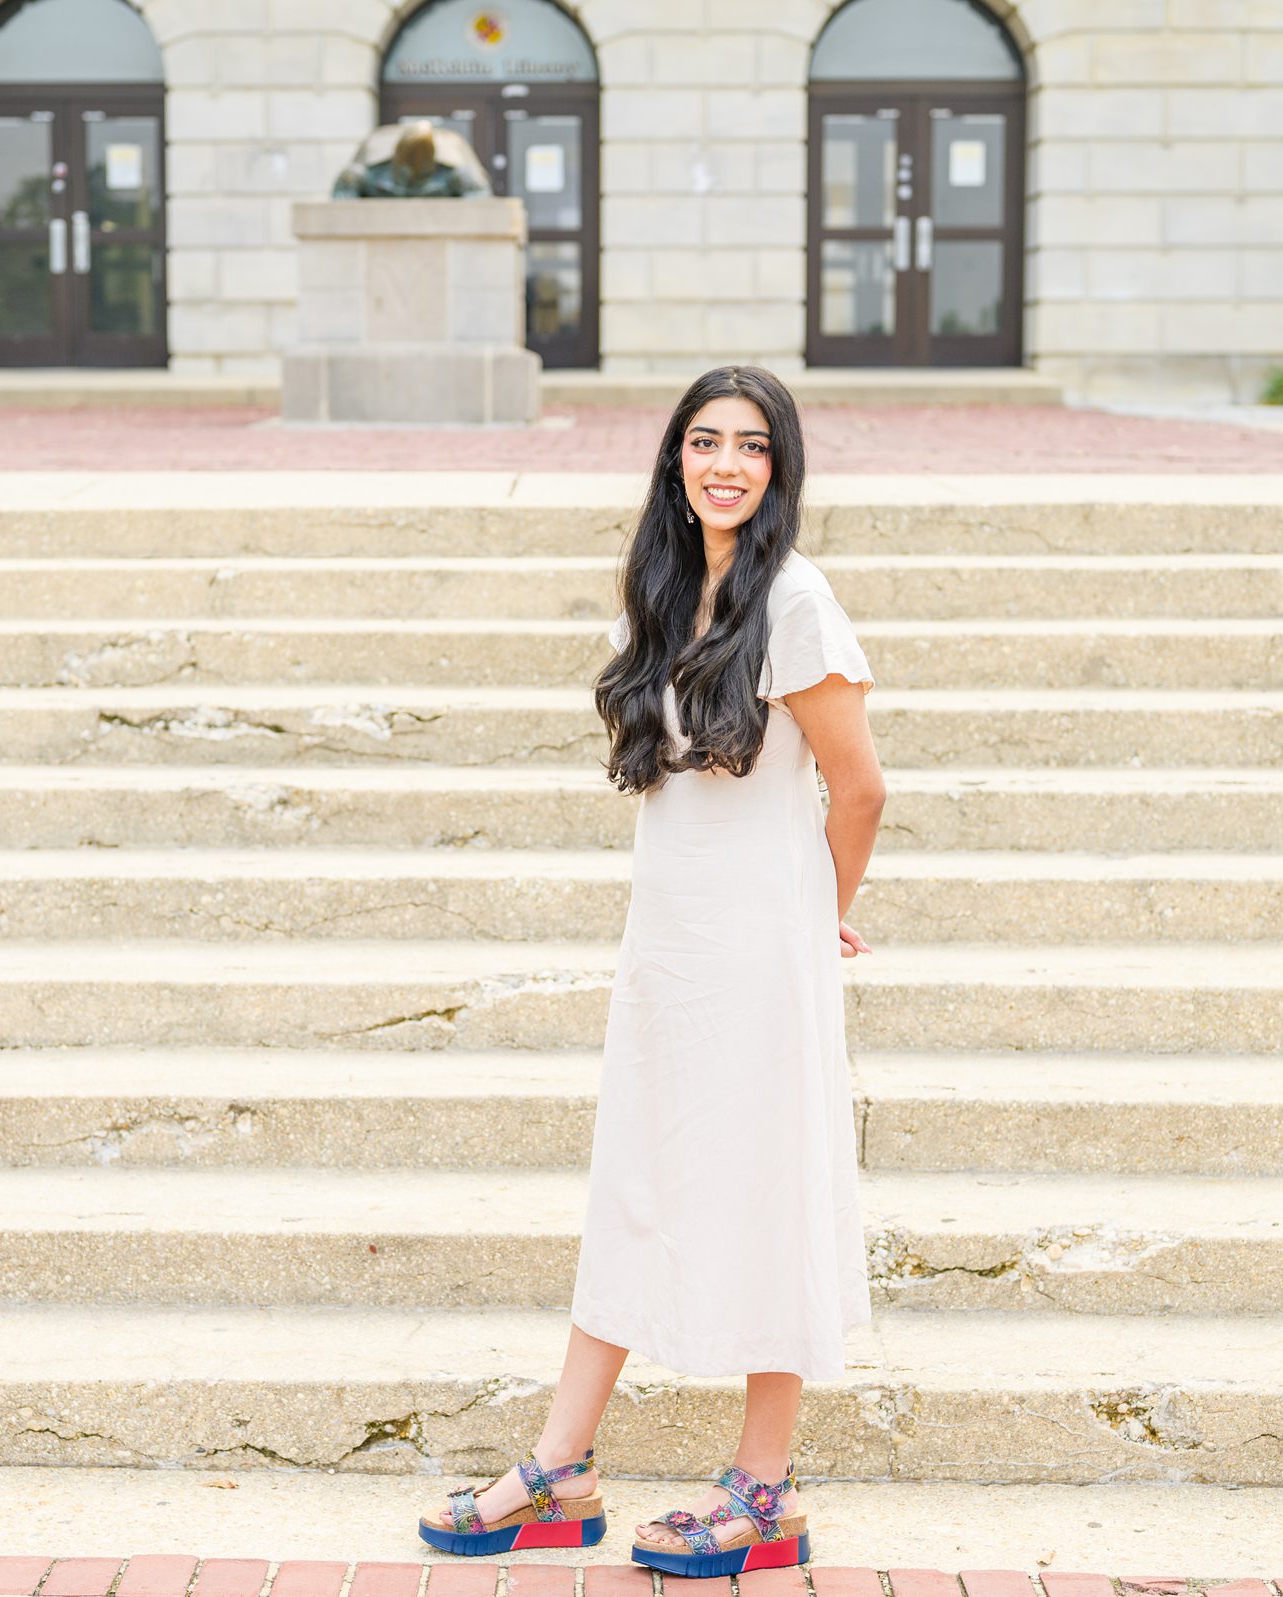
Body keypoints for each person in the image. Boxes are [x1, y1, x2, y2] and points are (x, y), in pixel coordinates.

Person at [415, 364, 884, 1575]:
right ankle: (562, 1468)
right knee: (636, 1184)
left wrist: (814, 915)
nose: (725, 464)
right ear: (676, 460)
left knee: (766, 1195)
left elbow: (862, 787)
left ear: (780, 471)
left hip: (759, 955)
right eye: (703, 442)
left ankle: (763, 1491)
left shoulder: (798, 600)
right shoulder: (664, 588)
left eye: (752, 447)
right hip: (667, 948)